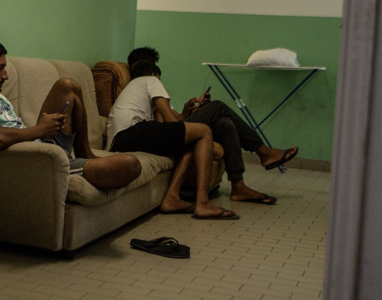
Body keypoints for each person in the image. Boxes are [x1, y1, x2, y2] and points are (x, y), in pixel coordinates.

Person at [0, 37, 142, 191]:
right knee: (131, 164)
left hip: (40, 144)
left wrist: (43, 130)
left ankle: (86, 155)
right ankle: (71, 168)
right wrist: (40, 130)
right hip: (34, 160)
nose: (6, 76)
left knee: (68, 86)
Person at [126, 47, 299, 205]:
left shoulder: (148, 87)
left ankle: (238, 185)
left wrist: (188, 112)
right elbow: (166, 126)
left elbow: (173, 121)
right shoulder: (145, 86)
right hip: (163, 135)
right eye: (153, 68)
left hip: (169, 131)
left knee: (225, 123)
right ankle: (262, 151)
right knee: (217, 106)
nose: (157, 75)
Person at [106, 61, 237, 220]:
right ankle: (202, 203)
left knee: (190, 140)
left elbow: (166, 128)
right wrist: (187, 121)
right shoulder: (151, 80)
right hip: (129, 133)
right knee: (204, 130)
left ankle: (171, 198)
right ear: (155, 75)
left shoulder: (136, 91)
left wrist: (184, 114)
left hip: (124, 138)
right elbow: (170, 121)